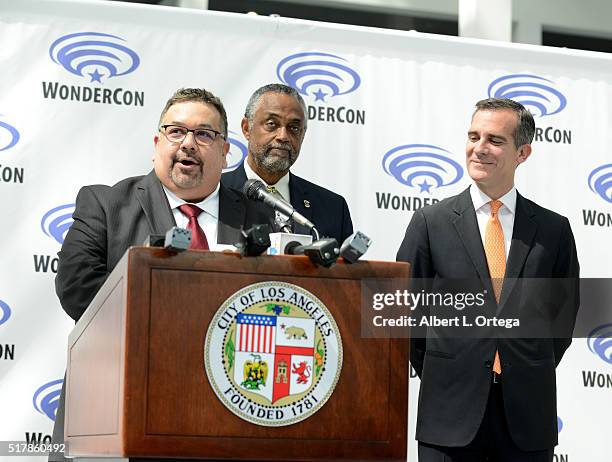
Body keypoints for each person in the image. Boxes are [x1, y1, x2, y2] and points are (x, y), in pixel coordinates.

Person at [50, 88, 270, 461]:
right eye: (176, 131)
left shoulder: (258, 218)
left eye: (204, 134)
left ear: (225, 151)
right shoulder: (105, 205)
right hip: (116, 413)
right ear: (157, 143)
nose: (188, 144)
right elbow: (77, 289)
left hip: (223, 422)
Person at [396, 98, 579, 461]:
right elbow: (407, 315)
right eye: (473, 136)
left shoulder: (554, 230)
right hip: (447, 415)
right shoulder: (430, 223)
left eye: (494, 140)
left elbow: (563, 320)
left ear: (522, 153)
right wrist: (448, 365)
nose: (478, 148)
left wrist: (520, 365)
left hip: (527, 418)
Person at [222, 83, 353, 244]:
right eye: (272, 124)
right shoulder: (215, 192)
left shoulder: (332, 207)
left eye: (294, 127)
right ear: (246, 128)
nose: (283, 136)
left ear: (303, 135)